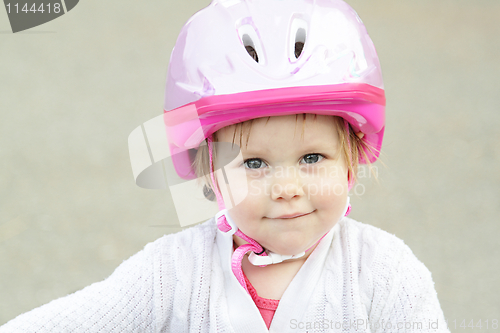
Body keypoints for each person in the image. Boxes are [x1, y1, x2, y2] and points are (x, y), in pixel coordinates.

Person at [0, 0, 450, 331]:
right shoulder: (172, 274)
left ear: (351, 163)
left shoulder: (386, 276)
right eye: (254, 163)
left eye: (312, 158)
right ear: (209, 172)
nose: (286, 187)